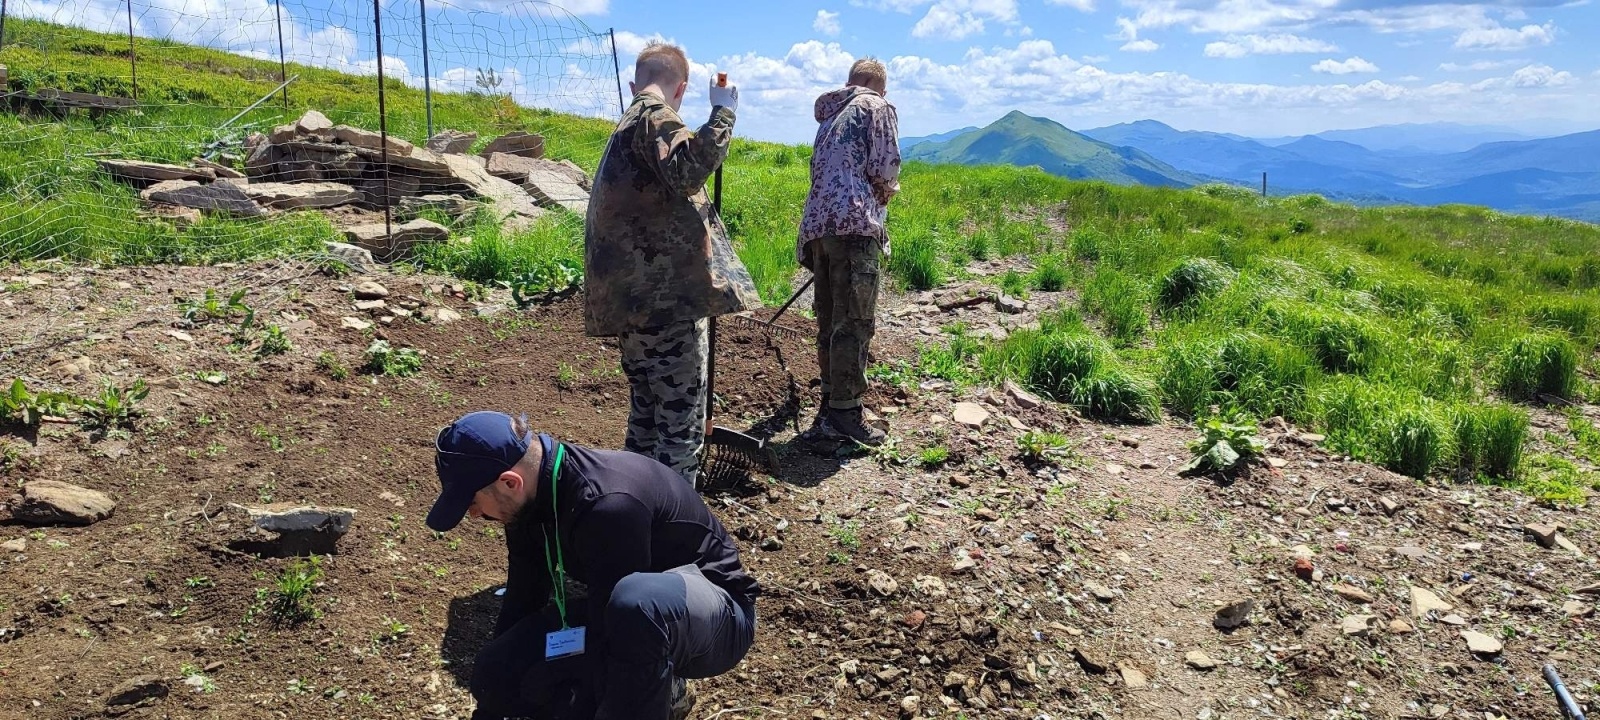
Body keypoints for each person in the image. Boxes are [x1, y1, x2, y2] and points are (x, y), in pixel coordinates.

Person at [426, 411, 759, 720]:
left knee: (635, 607)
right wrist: (494, 693)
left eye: (472, 501)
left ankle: (667, 690)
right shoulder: (527, 502)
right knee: (495, 672)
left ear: (510, 482)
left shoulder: (607, 506)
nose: (474, 514)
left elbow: (610, 636)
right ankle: (654, 687)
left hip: (717, 619)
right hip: (627, 617)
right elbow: (523, 599)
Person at [584, 42, 763, 487]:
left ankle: (631, 502)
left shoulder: (628, 123)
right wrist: (723, 113)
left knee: (646, 417)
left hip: (631, 304)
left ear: (634, 83)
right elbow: (688, 170)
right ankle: (674, 518)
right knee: (679, 427)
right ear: (681, 88)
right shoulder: (656, 117)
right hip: (663, 304)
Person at [797, 57, 901, 447]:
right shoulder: (877, 106)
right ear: (880, 86)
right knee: (854, 321)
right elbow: (886, 167)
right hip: (854, 225)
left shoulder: (830, 116)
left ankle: (831, 401)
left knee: (829, 318)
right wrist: (884, 198)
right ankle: (845, 413)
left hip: (818, 227)